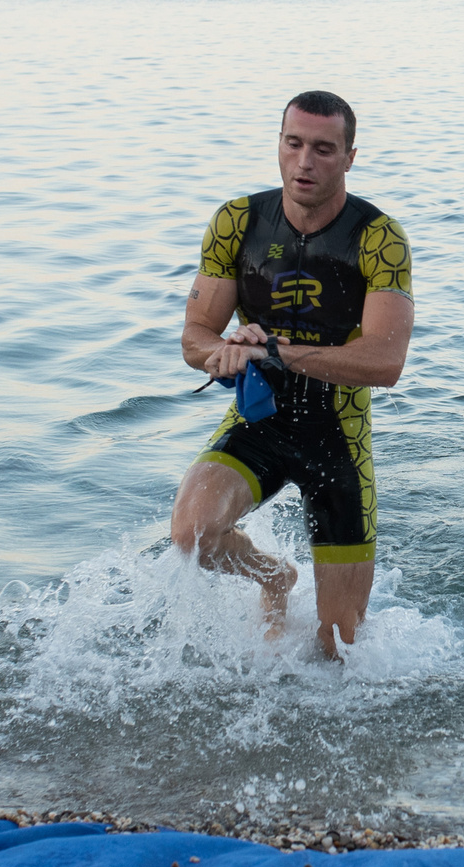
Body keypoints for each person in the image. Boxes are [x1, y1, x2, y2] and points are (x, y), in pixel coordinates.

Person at [170, 91, 415, 657]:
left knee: (338, 650)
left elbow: (385, 362)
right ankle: (274, 576)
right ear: (279, 145)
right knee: (192, 533)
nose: (305, 161)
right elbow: (193, 337)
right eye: (294, 143)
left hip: (339, 440)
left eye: (324, 149)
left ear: (350, 156)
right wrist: (225, 351)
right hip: (262, 423)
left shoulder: (379, 238)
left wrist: (277, 350)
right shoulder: (238, 222)